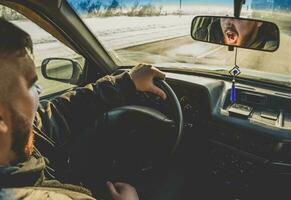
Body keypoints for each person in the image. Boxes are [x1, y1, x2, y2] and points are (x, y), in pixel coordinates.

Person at [0, 18, 167, 200]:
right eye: (31, 85)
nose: (39, 91)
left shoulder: (15, 140)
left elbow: (56, 113)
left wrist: (125, 83)